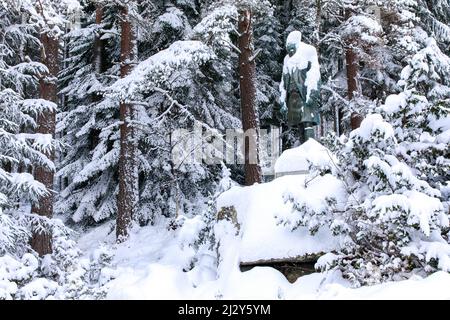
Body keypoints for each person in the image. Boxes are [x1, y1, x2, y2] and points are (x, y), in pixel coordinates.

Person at [280, 31, 321, 144]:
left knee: (307, 122)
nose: (290, 51)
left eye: (292, 48)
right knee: (299, 125)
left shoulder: (309, 51)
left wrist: (312, 94)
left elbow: (314, 75)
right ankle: (302, 149)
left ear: (297, 45)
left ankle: (311, 148)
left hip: (304, 94)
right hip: (292, 97)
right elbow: (283, 81)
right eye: (288, 49)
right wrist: (282, 101)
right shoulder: (286, 59)